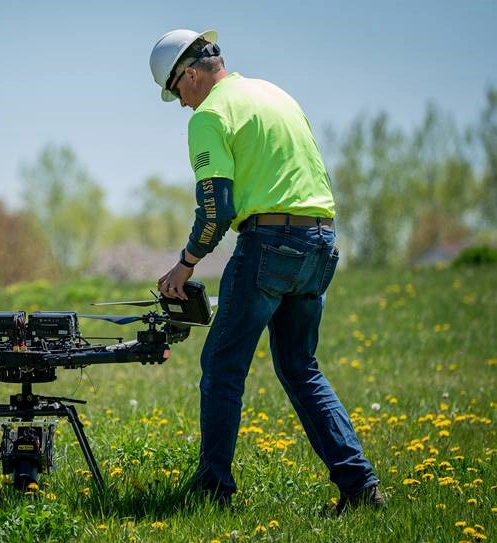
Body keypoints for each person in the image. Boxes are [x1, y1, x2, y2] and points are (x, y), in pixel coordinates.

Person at [149, 29, 383, 513]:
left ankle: (214, 490)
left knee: (221, 365)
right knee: (300, 367)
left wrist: (184, 266)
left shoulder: (210, 115)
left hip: (269, 245)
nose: (180, 104)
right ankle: (360, 487)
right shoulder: (275, 95)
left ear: (190, 74)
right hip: (321, 241)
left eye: (175, 92)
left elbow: (216, 209)